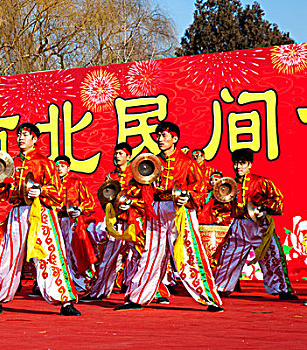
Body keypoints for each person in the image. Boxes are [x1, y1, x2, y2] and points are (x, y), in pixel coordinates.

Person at [114, 121, 223, 312]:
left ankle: (209, 298)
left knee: (190, 252)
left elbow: (199, 187)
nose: (161, 139)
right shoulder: (150, 162)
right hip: (156, 208)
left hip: (180, 210)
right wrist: (126, 198)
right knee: (151, 252)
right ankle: (137, 297)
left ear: (175, 139)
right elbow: (135, 184)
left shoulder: (187, 162)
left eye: (165, 136)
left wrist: (186, 196)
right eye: (158, 135)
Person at [0, 122, 80, 316]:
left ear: (35, 139)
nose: (20, 138)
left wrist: (41, 190)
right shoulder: (11, 163)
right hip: (17, 212)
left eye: (25, 135)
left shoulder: (45, 163)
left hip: (41, 212)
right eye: (18, 135)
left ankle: (65, 301)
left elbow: (58, 193)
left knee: (50, 255)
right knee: (7, 256)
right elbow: (4, 192)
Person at [213, 149, 297, 300]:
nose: (238, 167)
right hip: (239, 226)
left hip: (260, 226)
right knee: (229, 257)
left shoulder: (261, 182)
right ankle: (221, 287)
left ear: (249, 164)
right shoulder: (228, 185)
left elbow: (277, 199)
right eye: (236, 163)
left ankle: (282, 289)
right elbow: (220, 207)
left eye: (242, 163)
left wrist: (264, 208)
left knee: (273, 256)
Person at [82, 143, 142, 302]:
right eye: (116, 154)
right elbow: (104, 200)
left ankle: (142, 294)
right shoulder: (111, 177)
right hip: (116, 224)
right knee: (108, 259)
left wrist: (132, 203)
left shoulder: (136, 174)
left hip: (134, 222)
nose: (117, 156)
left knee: (139, 257)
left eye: (121, 153)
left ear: (128, 156)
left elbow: (144, 196)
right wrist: (112, 205)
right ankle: (98, 292)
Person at [54, 155, 97, 297]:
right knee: (58, 252)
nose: (59, 168)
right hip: (55, 221)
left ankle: (84, 282)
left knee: (75, 252)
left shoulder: (75, 182)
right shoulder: (50, 184)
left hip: (72, 222)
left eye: (62, 166)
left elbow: (90, 202)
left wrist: (80, 209)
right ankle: (62, 284)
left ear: (68, 168)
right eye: (57, 166)